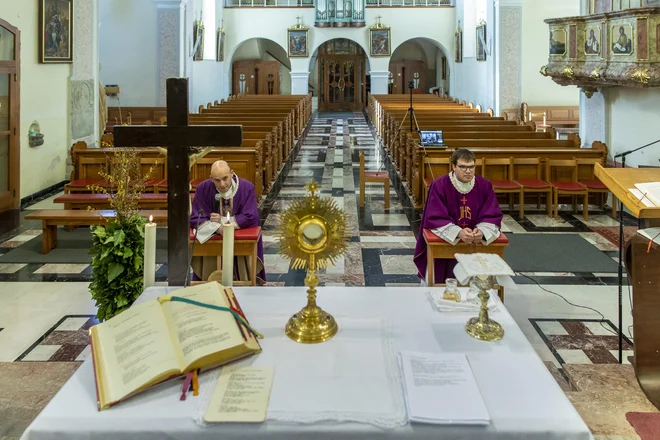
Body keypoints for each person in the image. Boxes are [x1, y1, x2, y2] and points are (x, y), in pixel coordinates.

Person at [413, 148, 503, 284]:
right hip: (447, 241)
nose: (468, 171)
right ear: (453, 166)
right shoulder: (439, 185)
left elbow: (491, 213)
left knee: (479, 285)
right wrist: (458, 232)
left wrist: (482, 231)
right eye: (463, 167)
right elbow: (435, 217)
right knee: (442, 279)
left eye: (471, 167)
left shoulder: (484, 186)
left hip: (475, 242)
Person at [190, 160, 266, 285]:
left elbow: (251, 217)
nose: (222, 184)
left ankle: (244, 282)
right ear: (211, 178)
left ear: (232, 173)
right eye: (217, 180)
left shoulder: (246, 188)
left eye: (225, 178)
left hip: (239, 238)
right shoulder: (203, 189)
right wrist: (217, 228)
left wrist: (224, 221)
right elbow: (196, 218)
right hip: (213, 239)